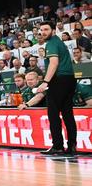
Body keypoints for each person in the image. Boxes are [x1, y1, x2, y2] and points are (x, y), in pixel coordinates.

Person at [35, 21, 77, 156]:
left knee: (53, 114)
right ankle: (71, 146)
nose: (43, 32)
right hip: (69, 79)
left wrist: (45, 81)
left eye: (46, 29)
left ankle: (58, 146)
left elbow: (54, 63)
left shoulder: (52, 43)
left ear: (53, 30)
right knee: (68, 115)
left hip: (58, 80)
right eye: (41, 30)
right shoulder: (59, 42)